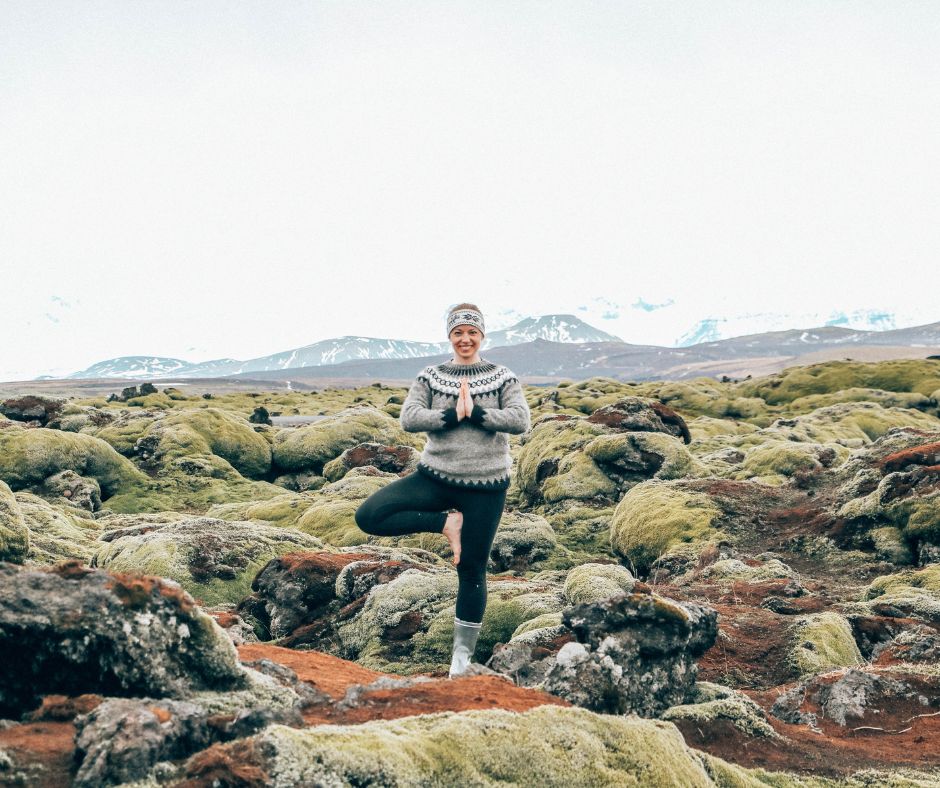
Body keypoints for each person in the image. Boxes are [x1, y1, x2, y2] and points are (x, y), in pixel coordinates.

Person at [354, 303, 531, 678]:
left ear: (482, 335)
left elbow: (520, 420)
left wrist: (478, 414)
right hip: (435, 478)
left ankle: (460, 664)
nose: (465, 339)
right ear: (449, 336)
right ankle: (445, 524)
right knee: (369, 515)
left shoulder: (502, 377)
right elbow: (410, 417)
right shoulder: (431, 375)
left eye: (472, 332)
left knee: (471, 570)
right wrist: (453, 414)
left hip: (485, 487)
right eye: (457, 332)